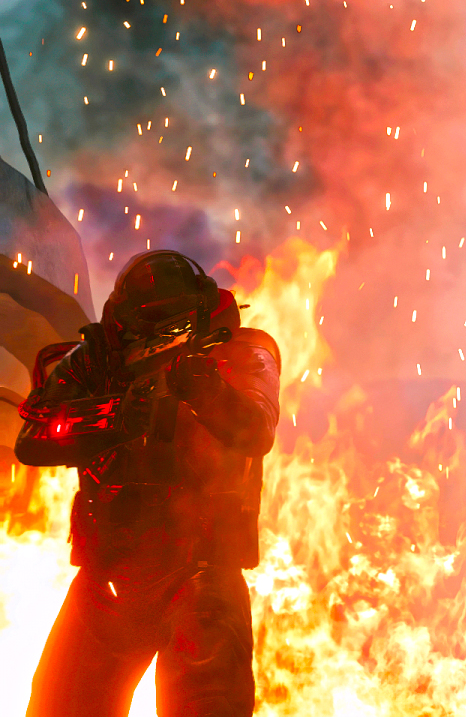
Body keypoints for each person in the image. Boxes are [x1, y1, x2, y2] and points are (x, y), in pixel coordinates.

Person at [15, 250, 281, 717]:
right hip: (110, 577)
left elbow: (256, 429)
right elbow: (34, 439)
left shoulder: (239, 350)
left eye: (172, 326)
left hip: (201, 573)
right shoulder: (96, 358)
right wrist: (116, 415)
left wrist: (208, 392)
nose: (159, 343)